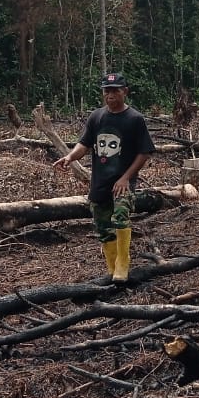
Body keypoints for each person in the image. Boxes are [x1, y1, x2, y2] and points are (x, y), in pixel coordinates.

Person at [54, 72, 155, 283]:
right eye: (107, 91)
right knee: (102, 225)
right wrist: (70, 157)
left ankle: (122, 263)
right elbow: (85, 144)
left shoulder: (134, 119)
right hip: (100, 181)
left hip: (122, 182)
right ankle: (112, 268)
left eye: (115, 91)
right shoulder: (96, 117)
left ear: (124, 92)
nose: (110, 95)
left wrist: (126, 177)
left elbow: (144, 152)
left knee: (120, 216)